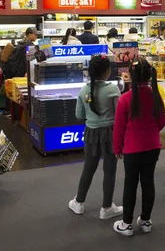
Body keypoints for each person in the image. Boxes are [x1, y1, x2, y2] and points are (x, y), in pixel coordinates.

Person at [113, 58, 165, 237]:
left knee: (130, 184)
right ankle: (146, 220)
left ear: (131, 75)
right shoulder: (155, 95)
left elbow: (119, 128)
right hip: (153, 146)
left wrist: (117, 148)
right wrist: (150, 133)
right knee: (148, 182)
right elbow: (162, 122)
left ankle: (126, 224)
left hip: (132, 148)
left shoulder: (125, 99)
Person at [69, 55, 123, 220]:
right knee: (110, 170)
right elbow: (120, 115)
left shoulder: (84, 90)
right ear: (107, 72)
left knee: (88, 168)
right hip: (110, 133)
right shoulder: (113, 90)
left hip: (91, 132)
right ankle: (107, 208)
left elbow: (79, 114)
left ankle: (79, 202)